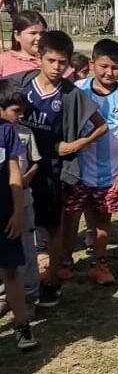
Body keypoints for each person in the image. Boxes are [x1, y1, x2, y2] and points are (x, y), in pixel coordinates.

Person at [11, 30, 108, 306]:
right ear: (39, 58)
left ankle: (52, 281)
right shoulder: (22, 85)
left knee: (52, 228)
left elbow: (102, 126)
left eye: (62, 62)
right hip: (17, 169)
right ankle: (17, 281)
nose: (56, 67)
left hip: (50, 171)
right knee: (16, 225)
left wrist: (75, 145)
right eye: (51, 61)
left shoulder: (70, 94)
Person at [61, 39, 118, 284]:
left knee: (102, 219)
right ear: (92, 64)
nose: (109, 72)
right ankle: (64, 262)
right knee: (70, 216)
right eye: (104, 66)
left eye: (115, 67)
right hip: (77, 171)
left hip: (110, 174)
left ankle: (100, 263)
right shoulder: (77, 90)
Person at [0, 82, 41, 313]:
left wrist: (25, 179)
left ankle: (30, 295)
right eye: (16, 111)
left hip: (22, 202)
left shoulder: (24, 133)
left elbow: (35, 162)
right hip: (3, 204)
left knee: (26, 251)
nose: (20, 116)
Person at [0, 119, 37, 348]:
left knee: (11, 271)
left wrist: (17, 211)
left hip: (4, 214)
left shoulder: (5, 131)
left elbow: (14, 173)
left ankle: (22, 324)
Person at [0, 10, 47, 77]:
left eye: (42, 33)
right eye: (33, 33)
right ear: (17, 35)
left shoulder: (54, 60)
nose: (39, 38)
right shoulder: (3, 61)